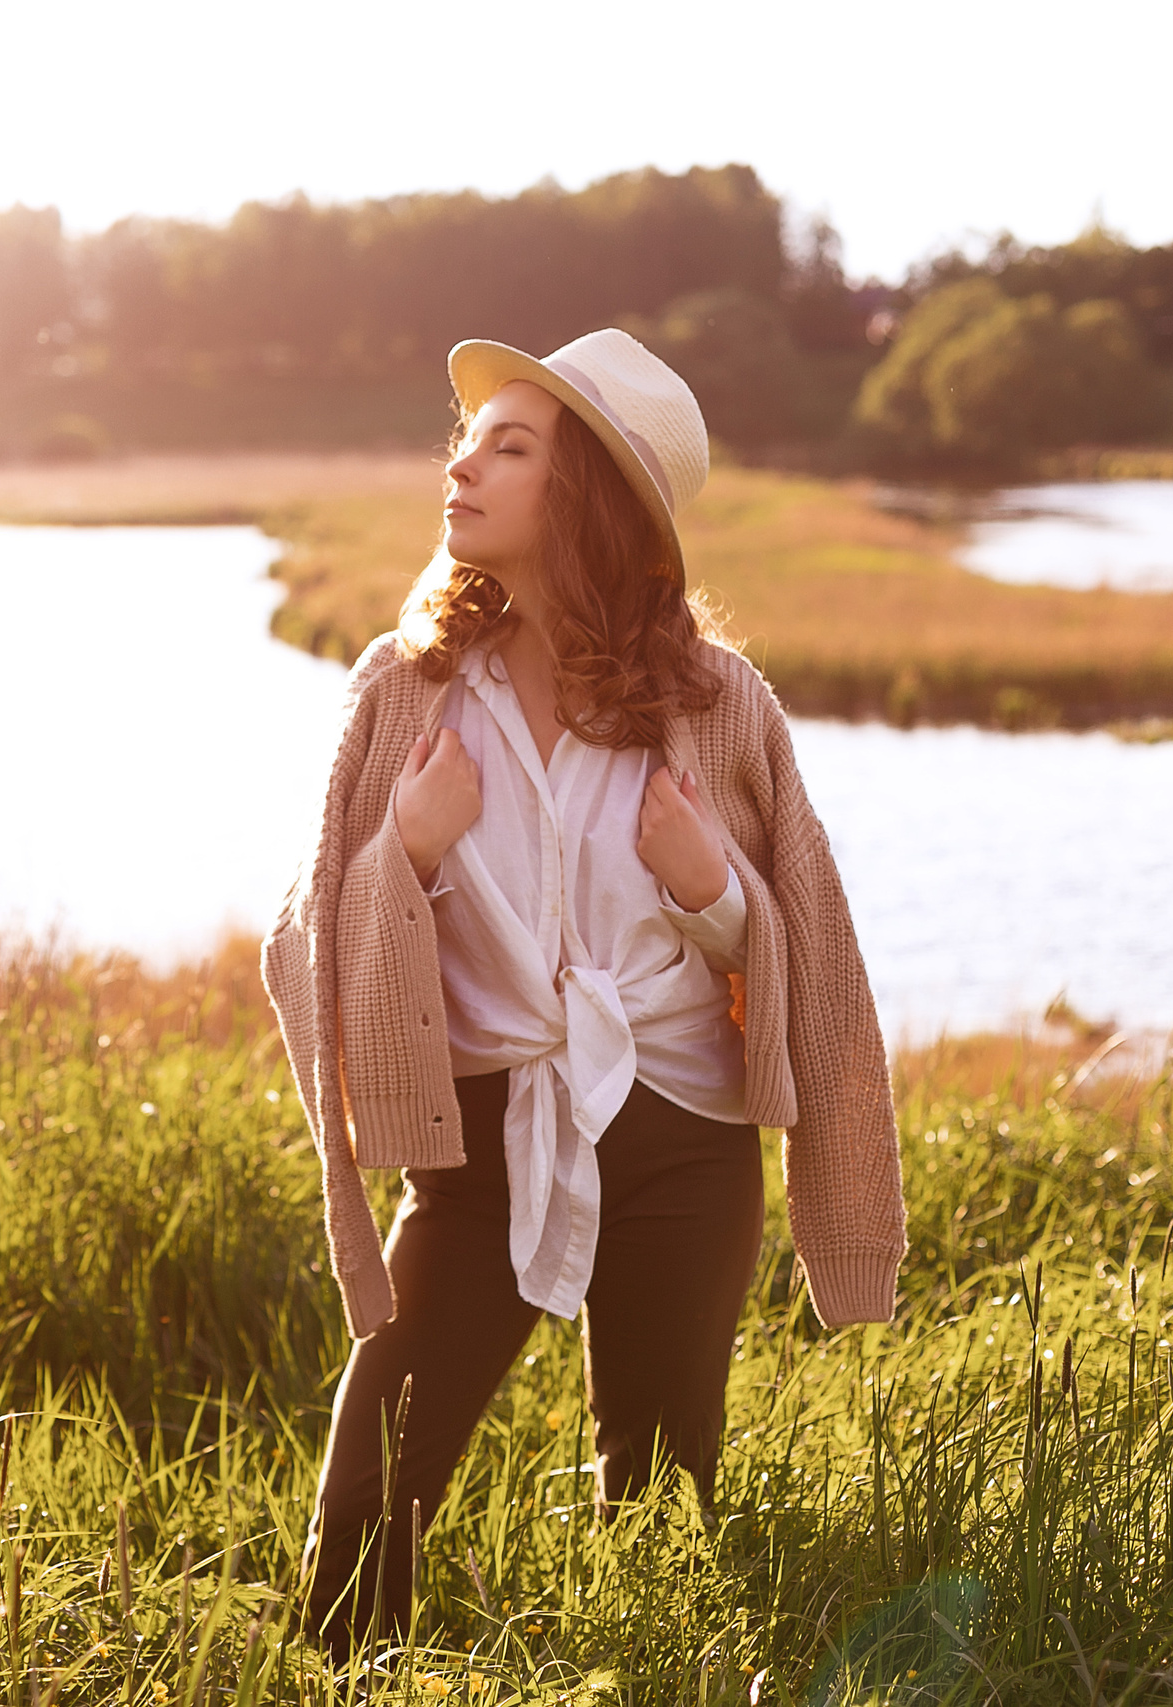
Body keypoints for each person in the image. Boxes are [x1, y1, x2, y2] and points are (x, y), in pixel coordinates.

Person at [260, 328, 906, 1652]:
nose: (463, 464)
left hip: (683, 1142)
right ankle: (341, 1682)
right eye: (465, 439)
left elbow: (817, 960)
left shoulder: (722, 708)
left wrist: (707, 891)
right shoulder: (406, 689)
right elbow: (307, 930)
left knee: (663, 1509)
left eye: (510, 444)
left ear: (593, 494)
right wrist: (410, 851)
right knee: (369, 1491)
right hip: (480, 1145)